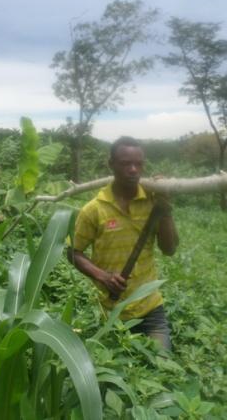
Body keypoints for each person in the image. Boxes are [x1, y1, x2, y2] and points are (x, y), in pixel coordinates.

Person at [69, 136, 179, 350]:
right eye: (125, 163)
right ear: (111, 165)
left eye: (138, 164)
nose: (133, 170)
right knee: (118, 375)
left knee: (163, 367)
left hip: (150, 307)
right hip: (110, 310)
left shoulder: (152, 200)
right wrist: (103, 277)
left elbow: (169, 249)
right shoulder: (94, 209)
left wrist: (165, 208)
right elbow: (74, 252)